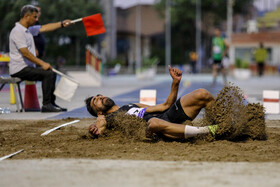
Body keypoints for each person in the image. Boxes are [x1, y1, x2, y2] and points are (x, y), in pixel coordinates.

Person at [85, 66, 218, 140]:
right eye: (95, 100)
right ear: (99, 112)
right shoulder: (106, 118)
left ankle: (221, 124)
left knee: (202, 93)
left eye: (99, 95)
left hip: (168, 117)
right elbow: (99, 128)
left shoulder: (130, 106)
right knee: (154, 122)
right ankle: (206, 131)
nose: (100, 97)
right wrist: (95, 129)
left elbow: (165, 106)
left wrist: (175, 83)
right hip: (155, 131)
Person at [9, 5, 72, 112]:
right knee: (48, 74)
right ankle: (46, 105)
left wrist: (62, 24)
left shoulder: (28, 30)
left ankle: (51, 103)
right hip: (19, 69)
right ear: (26, 16)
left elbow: (45, 27)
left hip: (27, 68)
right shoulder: (18, 31)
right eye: (35, 17)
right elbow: (25, 53)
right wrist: (42, 63)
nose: (37, 19)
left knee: (51, 73)